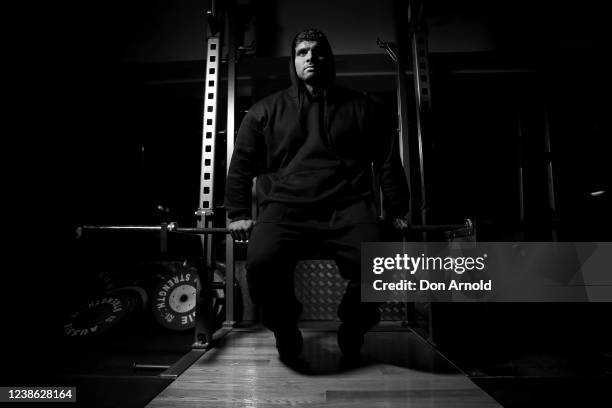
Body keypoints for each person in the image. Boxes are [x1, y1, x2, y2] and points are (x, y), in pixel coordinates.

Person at [225, 28, 410, 363]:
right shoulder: (265, 111)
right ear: (294, 61)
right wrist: (238, 212)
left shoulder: (362, 107)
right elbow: (241, 165)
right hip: (285, 207)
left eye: (317, 51)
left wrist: (397, 208)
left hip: (347, 204)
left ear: (329, 58)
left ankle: (353, 325)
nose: (310, 57)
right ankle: (284, 327)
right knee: (261, 263)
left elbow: (386, 160)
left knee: (382, 265)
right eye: (302, 52)